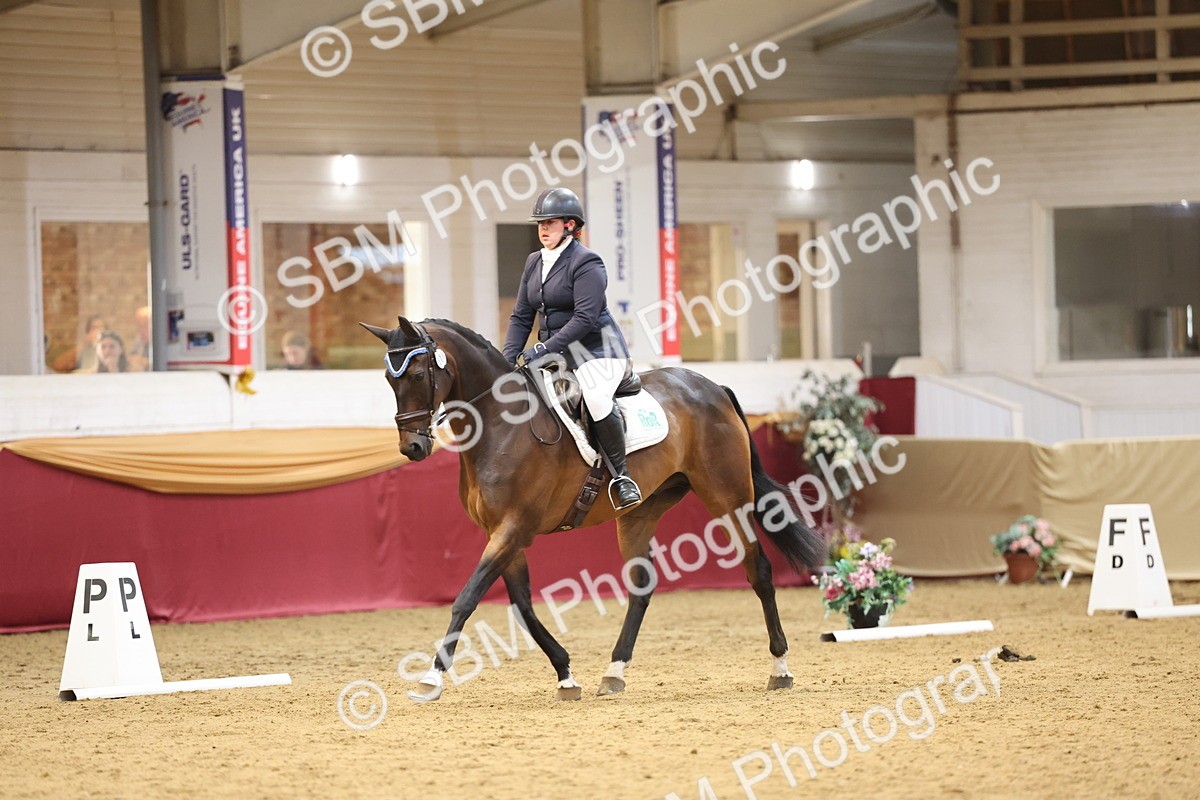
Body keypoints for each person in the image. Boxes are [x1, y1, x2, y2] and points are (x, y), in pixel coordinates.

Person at [502, 187, 641, 510]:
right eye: (540, 223)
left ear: (569, 225)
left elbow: (584, 318)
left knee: (593, 395)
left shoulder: (586, 261)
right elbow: (522, 315)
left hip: (598, 350)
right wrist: (507, 359)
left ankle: (622, 477)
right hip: (557, 353)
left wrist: (542, 349)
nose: (543, 229)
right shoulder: (534, 262)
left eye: (549, 222)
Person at [127, 306, 151, 371]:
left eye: (142, 325)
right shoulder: (139, 340)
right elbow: (130, 357)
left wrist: (147, 363)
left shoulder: (160, 341)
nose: (139, 330)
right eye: (138, 326)